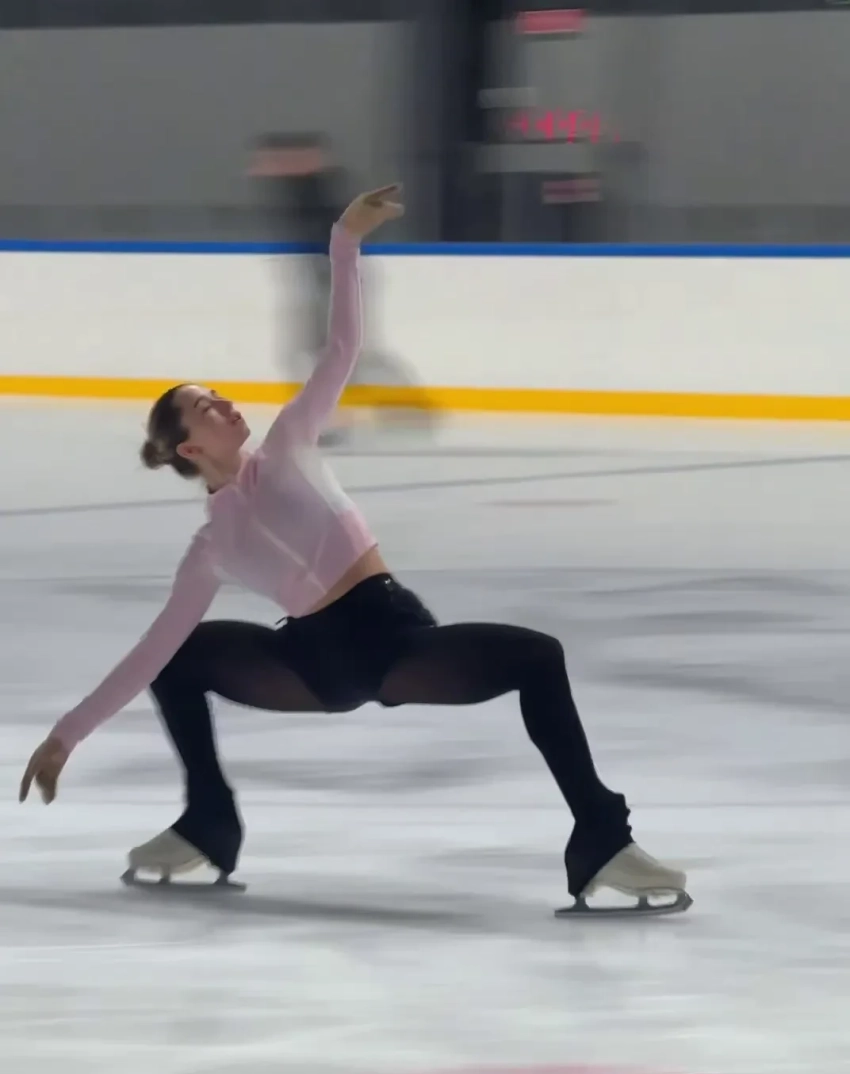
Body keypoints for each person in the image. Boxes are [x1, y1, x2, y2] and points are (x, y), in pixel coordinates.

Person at [18, 184, 688, 916]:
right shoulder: (210, 547)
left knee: (535, 658)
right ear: (188, 447)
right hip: (323, 658)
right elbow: (149, 652)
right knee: (178, 657)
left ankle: (600, 841)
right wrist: (65, 736)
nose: (226, 405)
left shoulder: (289, 441)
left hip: (385, 640)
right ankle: (209, 822)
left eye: (219, 395)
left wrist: (345, 242)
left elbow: (342, 350)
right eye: (206, 407)